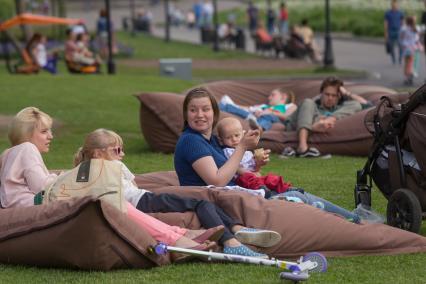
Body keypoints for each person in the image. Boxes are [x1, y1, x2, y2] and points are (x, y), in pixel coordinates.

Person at [0, 107, 223, 262]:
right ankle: (179, 239)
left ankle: (181, 237)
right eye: (44, 131)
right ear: (28, 133)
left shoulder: (8, 154)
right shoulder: (27, 149)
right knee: (114, 203)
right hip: (35, 206)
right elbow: (41, 186)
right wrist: (68, 176)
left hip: (30, 205)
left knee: (115, 203)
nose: (51, 136)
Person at [74, 128, 281, 258]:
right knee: (201, 204)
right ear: (98, 153)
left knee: (203, 202)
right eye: (117, 151)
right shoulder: (110, 168)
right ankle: (231, 240)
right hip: (141, 201)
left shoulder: (85, 172)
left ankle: (237, 230)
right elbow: (133, 185)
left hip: (140, 199)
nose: (122, 154)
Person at [174, 88, 361, 224]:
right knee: (296, 197)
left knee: (297, 192)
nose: (200, 115)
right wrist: (242, 147)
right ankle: (353, 222)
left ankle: (353, 220)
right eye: (193, 110)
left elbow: (234, 170)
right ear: (186, 114)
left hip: (236, 195)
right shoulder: (191, 141)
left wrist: (255, 165)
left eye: (205, 109)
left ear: (214, 113)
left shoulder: (213, 140)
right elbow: (217, 180)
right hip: (223, 204)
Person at [216, 117, 361, 223]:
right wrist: (253, 172)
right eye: (229, 138)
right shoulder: (229, 152)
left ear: (243, 133)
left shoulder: (246, 151)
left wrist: (259, 163)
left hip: (254, 179)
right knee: (265, 180)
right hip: (246, 183)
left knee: (275, 181)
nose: (234, 140)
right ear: (222, 141)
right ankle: (271, 190)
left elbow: (255, 169)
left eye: (237, 136)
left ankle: (350, 217)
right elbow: (240, 170)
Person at [283, 77, 366, 158]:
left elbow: (366, 105)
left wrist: (346, 93)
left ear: (339, 96)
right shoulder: (313, 104)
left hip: (327, 121)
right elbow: (289, 121)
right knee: (308, 102)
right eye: (327, 94)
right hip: (301, 123)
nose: (330, 98)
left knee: (356, 104)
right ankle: (303, 147)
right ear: (321, 94)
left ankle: (319, 124)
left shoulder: (341, 108)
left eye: (334, 95)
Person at [219, 88, 297, 131]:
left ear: (283, 97)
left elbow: (288, 117)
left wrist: (270, 112)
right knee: (227, 106)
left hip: (273, 118)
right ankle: (223, 106)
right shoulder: (264, 106)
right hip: (253, 116)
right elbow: (247, 108)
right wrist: (232, 105)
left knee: (268, 116)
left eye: (273, 95)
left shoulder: (289, 106)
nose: (269, 98)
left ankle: (259, 127)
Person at [399, 16, 421, 86]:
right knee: (411, 63)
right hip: (412, 48)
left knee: (406, 63)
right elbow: (417, 39)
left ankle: (406, 77)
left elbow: (401, 38)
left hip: (406, 48)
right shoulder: (416, 29)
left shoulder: (404, 29)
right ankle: (410, 74)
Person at [384, 0, 404, 65]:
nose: (395, 5)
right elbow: (386, 23)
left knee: (400, 46)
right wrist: (386, 32)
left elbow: (402, 23)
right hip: (391, 31)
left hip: (399, 31)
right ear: (391, 5)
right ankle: (393, 59)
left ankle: (400, 59)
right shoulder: (387, 13)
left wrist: (403, 32)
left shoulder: (400, 12)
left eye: (396, 4)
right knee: (391, 46)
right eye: (393, 4)